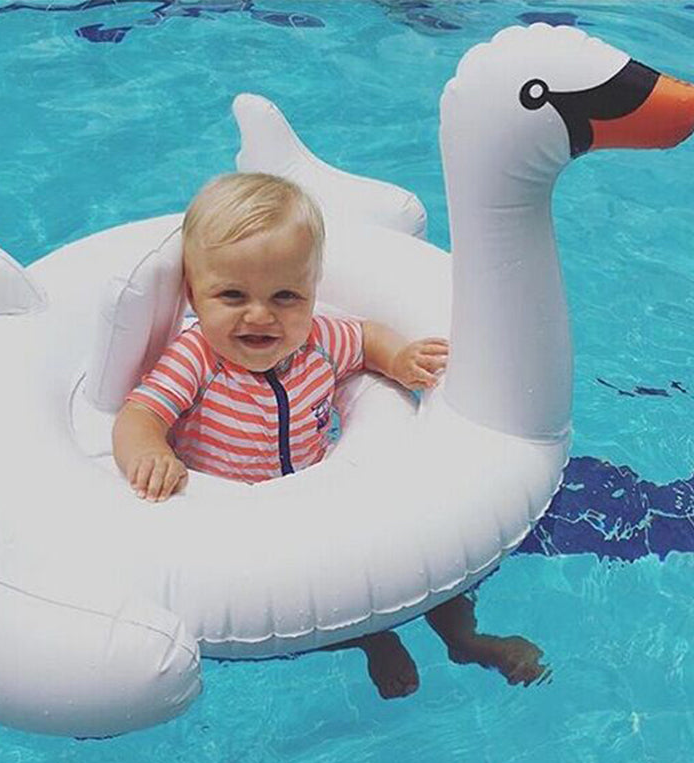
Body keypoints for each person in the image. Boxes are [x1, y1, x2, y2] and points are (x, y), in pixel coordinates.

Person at [113, 172, 548, 698]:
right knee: (318, 595)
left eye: (285, 296)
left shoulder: (319, 341)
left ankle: (467, 640)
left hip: (327, 497)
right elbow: (140, 414)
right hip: (235, 519)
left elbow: (365, 339)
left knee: (423, 566)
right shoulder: (195, 359)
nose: (259, 315)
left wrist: (401, 359)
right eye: (231, 294)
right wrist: (150, 453)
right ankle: (372, 643)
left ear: (312, 292)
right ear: (192, 294)